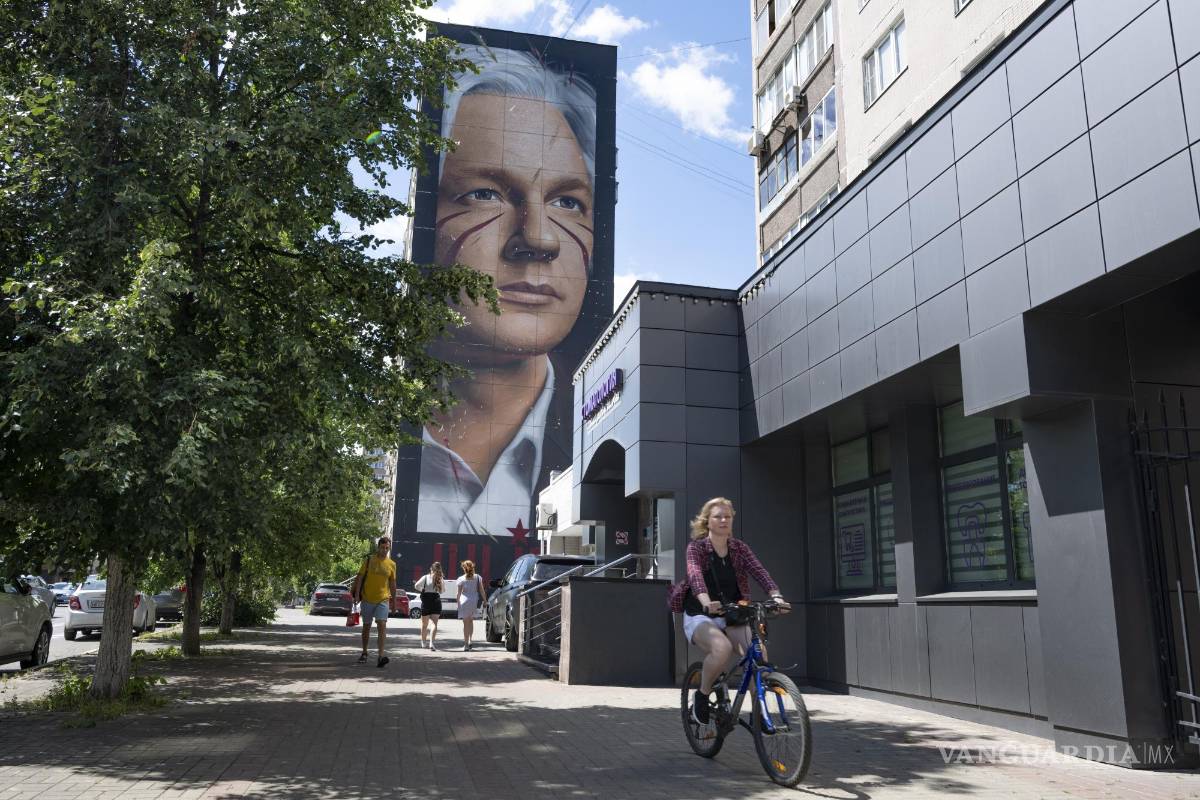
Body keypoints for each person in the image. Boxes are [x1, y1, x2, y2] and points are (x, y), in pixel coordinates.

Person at [416, 44, 601, 539]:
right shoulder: (399, 433)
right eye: (485, 194)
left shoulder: (606, 429)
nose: (538, 238)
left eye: (567, 201)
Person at [683, 497, 787, 726]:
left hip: (732, 613)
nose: (723, 520)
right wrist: (705, 601)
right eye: (718, 516)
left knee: (758, 653)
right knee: (721, 648)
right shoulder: (697, 548)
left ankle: (759, 713)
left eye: (727, 516)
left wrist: (776, 595)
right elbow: (695, 576)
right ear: (707, 521)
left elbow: (759, 571)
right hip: (701, 614)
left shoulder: (739, 548)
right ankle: (701, 695)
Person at [353, 536, 398, 668]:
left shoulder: (392, 564)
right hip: (367, 598)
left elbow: (393, 583)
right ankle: (364, 652)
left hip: (383, 599)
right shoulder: (369, 560)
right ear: (378, 547)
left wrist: (394, 602)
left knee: (382, 624)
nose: (384, 550)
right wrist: (357, 595)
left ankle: (380, 656)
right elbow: (360, 577)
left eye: (387, 548)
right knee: (366, 626)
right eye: (382, 548)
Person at [455, 560, 487, 651]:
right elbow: (481, 590)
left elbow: (458, 593)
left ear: (464, 568)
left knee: (465, 624)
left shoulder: (461, 578)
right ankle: (470, 640)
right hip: (474, 602)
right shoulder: (477, 577)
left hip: (464, 601)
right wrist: (485, 600)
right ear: (472, 567)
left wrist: (458, 603)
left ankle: (465, 645)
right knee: (471, 621)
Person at [415, 562, 445, 651]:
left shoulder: (425, 577)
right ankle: (432, 643)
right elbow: (442, 591)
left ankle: (423, 642)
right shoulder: (440, 578)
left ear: (431, 569)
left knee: (424, 625)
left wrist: (422, 589)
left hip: (426, 602)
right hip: (436, 601)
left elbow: (416, 586)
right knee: (434, 624)